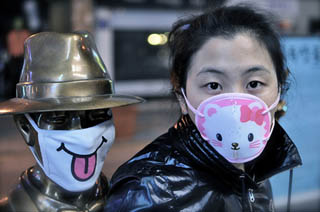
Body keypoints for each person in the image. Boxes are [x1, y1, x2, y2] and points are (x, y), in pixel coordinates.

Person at [105, 4, 302, 212]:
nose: (235, 108)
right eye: (214, 85)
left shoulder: (256, 167)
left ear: (279, 89)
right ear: (182, 97)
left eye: (253, 84)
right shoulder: (148, 192)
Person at [0, 31, 144, 212]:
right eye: (60, 118)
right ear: (26, 128)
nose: (86, 139)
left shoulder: (130, 200)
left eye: (98, 115)